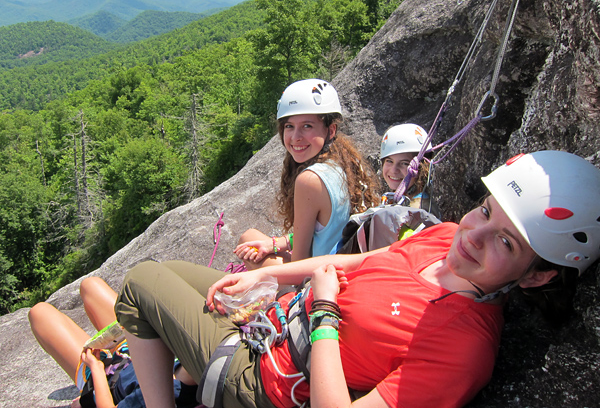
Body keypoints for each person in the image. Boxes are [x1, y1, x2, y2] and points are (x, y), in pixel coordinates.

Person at [114, 150, 600, 408]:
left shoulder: (463, 351)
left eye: (508, 243)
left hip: (267, 380)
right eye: (485, 211)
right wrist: (268, 280)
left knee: (140, 285)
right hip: (273, 321)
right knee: (173, 273)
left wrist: (324, 314)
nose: (476, 235)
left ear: (536, 277)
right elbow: (361, 264)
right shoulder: (447, 236)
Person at [234, 79, 378, 268]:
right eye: (289, 126)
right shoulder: (343, 163)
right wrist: (275, 244)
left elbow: (299, 264)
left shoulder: (309, 180)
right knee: (251, 238)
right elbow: (326, 233)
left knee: (247, 239)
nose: (295, 137)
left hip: (314, 281)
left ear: (330, 130)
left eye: (307, 126)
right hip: (339, 269)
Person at [28, 277, 198, 408]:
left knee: (39, 314)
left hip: (109, 377)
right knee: (90, 285)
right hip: (138, 347)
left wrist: (96, 368)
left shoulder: (162, 396)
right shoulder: (193, 357)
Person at [379, 123, 441, 217]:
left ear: (421, 168)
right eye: (389, 161)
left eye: (404, 163)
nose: (394, 170)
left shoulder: (419, 209)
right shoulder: (402, 201)